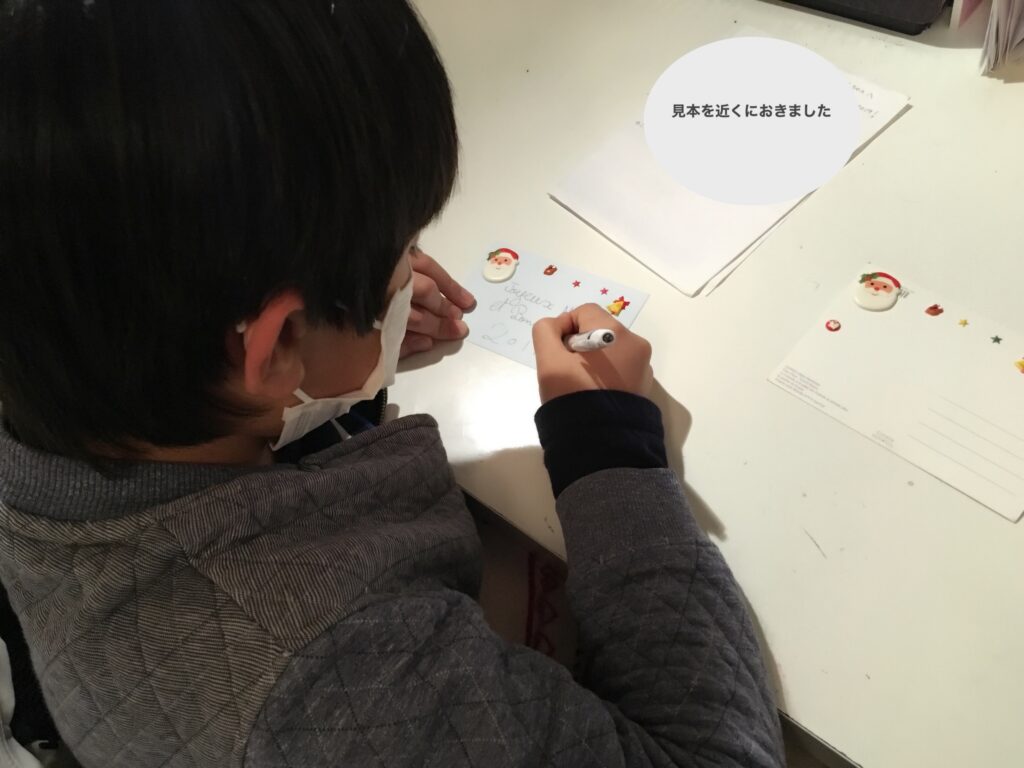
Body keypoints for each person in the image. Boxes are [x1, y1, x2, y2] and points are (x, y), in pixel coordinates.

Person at [0, 1, 785, 766]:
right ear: (277, 343)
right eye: (401, 257)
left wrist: (335, 340)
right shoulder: (339, 682)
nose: (413, 273)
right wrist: (607, 447)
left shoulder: (47, 358)